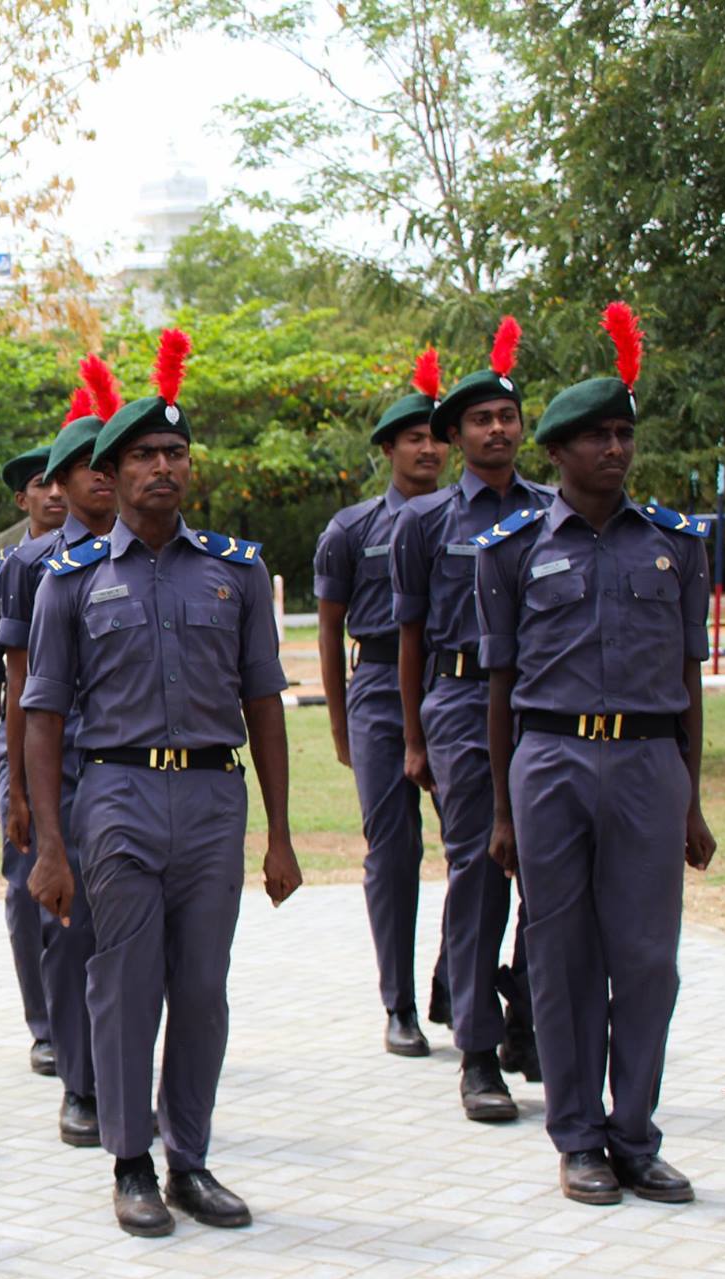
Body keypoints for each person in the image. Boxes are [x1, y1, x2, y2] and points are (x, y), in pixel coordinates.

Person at [23, 330, 302, 1237]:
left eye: (176, 454)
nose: (163, 468)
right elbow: (43, 715)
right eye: (144, 454)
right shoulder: (68, 581)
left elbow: (265, 700)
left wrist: (282, 832)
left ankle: (192, 1157)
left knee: (204, 986)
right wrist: (50, 845)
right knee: (125, 980)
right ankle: (131, 1160)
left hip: (215, 801)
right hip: (118, 798)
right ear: (109, 469)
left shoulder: (236, 571)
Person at [477, 303, 714, 1205]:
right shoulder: (510, 552)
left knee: (648, 956)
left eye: (623, 434)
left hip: (651, 765)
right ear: (558, 452)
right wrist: (501, 808)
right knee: (564, 952)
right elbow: (500, 687)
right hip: (553, 762)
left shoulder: (675, 548)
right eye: (595, 437)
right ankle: (577, 1135)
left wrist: (692, 801)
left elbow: (689, 684)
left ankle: (635, 1133)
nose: (615, 449)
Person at [390, 318, 549, 1122]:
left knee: (551, 868)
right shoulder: (422, 523)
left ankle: (528, 1009)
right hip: (457, 703)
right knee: (481, 866)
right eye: (480, 420)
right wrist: (415, 735)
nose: (497, 429)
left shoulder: (554, 511)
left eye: (507, 417)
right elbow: (408, 635)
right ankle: (477, 1052)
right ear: (455, 436)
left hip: (542, 708)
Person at [0, 355, 122, 1149]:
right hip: (66, 772)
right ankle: (80, 1083)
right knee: (72, 928)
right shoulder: (33, 566)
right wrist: (13, 788)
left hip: (134, 775)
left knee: (132, 936)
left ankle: (121, 1073)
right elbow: (18, 686)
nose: (102, 480)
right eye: (85, 468)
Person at [314, 352, 450, 1057]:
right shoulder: (352, 529)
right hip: (376, 696)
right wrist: (341, 727)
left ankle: (454, 976)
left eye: (436, 437)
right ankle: (398, 1004)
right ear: (390, 449)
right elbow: (331, 632)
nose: (429, 449)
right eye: (414, 438)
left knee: (481, 843)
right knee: (393, 852)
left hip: (452, 689)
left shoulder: (470, 522)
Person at [0, 427, 68, 1077]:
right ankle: (44, 1024)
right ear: (21, 500)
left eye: (62, 479)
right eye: (41, 484)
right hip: (21, 739)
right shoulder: (5, 574)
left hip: (86, 741)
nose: (54, 493)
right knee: (25, 882)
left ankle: (81, 1012)